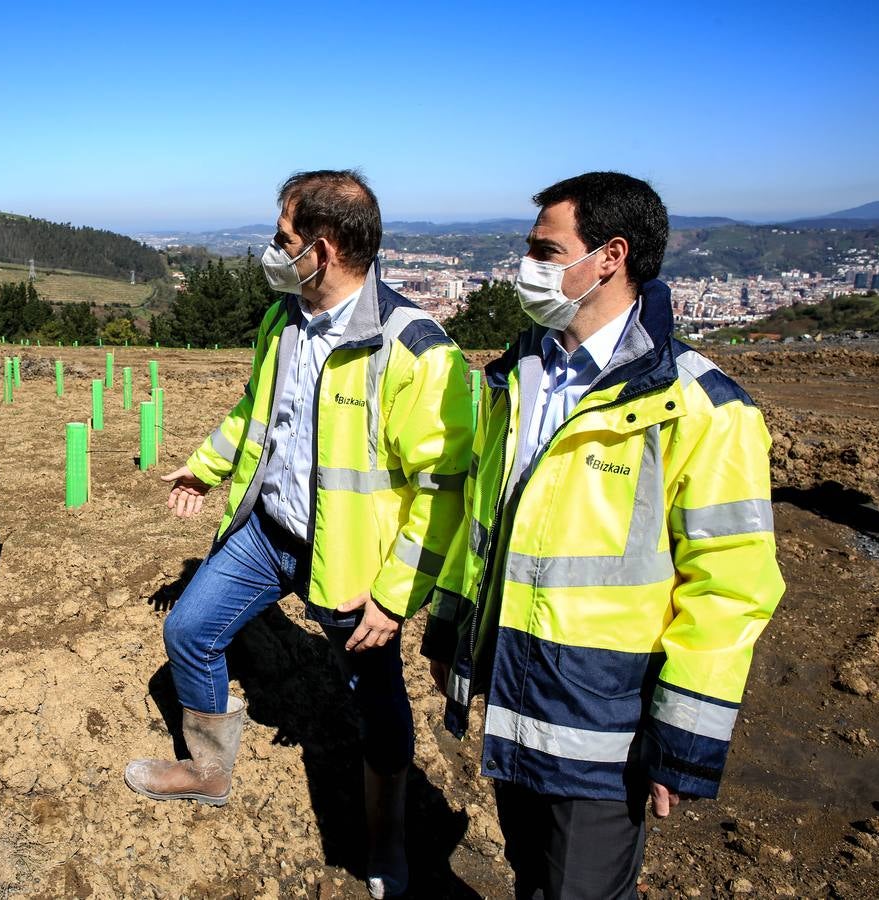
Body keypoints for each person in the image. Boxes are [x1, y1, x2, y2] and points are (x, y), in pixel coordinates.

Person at [421, 171, 785, 898]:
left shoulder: (702, 407)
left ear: (610, 256)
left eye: (544, 249)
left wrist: (681, 740)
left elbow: (731, 587)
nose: (525, 267)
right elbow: (483, 533)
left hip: (606, 730)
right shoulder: (518, 379)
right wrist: (451, 636)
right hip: (517, 699)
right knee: (532, 876)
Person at [124, 169, 473, 899]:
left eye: (282, 239)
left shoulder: (413, 350)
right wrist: (204, 470)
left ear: (320, 249)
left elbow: (442, 493)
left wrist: (394, 597)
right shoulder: (282, 321)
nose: (272, 251)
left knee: (377, 708)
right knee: (190, 631)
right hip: (267, 532)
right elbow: (255, 413)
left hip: (353, 565)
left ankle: (387, 843)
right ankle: (207, 770)